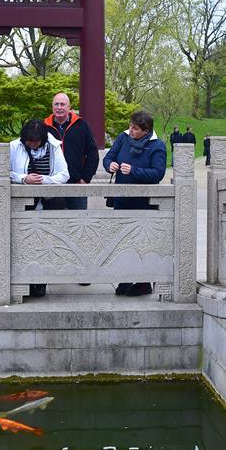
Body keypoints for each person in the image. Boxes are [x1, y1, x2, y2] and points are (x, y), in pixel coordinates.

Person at [103, 110, 167, 297]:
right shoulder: (123, 138)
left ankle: (143, 282)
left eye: (135, 128)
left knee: (142, 243)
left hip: (144, 202)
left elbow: (158, 174)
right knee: (122, 241)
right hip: (121, 198)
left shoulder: (157, 146)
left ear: (146, 131)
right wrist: (110, 166)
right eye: (130, 126)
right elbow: (109, 157)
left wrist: (134, 170)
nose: (130, 130)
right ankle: (124, 280)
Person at [10, 119, 69, 298]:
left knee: (45, 244)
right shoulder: (14, 147)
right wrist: (23, 179)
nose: (33, 145)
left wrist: (44, 180)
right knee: (24, 244)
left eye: (36, 142)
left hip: (48, 204)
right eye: (29, 142)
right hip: (23, 205)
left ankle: (40, 282)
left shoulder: (54, 147)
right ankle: (23, 282)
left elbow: (64, 174)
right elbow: (3, 172)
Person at [43, 92, 99, 210]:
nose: (59, 107)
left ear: (69, 107)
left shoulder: (81, 125)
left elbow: (92, 153)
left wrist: (85, 178)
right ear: (52, 107)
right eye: (56, 104)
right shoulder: (44, 126)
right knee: (53, 222)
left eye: (62, 104)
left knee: (79, 222)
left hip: (77, 182)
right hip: (52, 183)